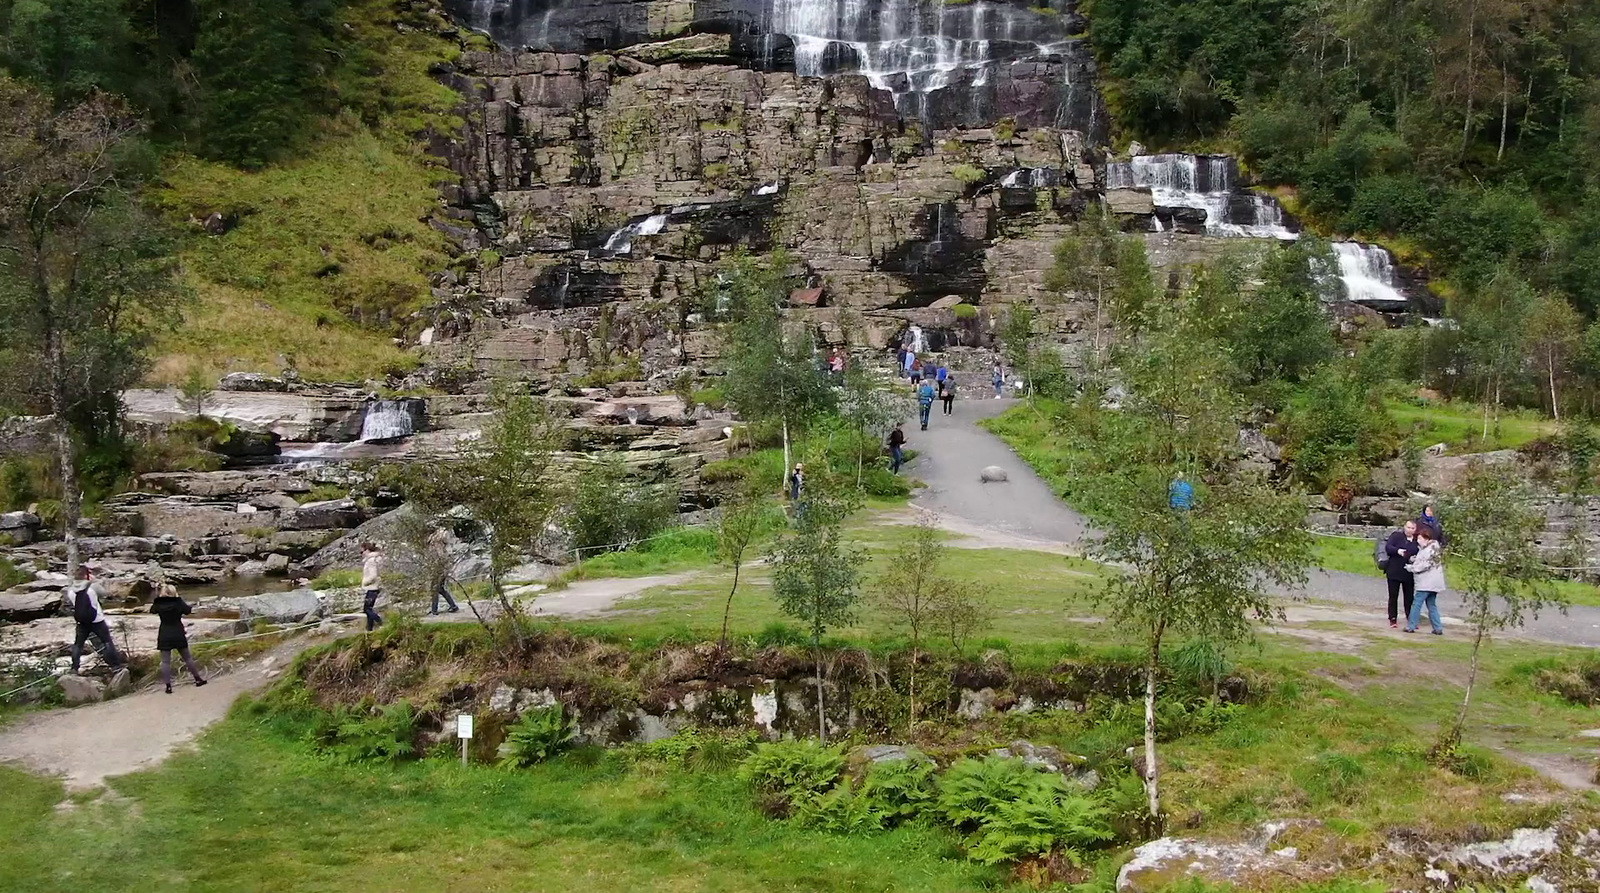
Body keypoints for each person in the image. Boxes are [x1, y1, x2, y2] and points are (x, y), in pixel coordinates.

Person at [64, 565, 126, 676]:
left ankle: (74, 668)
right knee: (106, 642)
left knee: (78, 644)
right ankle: (116, 666)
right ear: (86, 576)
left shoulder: (70, 591)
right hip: (97, 620)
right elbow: (105, 593)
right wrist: (94, 581)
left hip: (81, 622)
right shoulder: (92, 587)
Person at [149, 584, 207, 693]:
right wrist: (179, 598)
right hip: (178, 632)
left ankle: (168, 686)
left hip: (164, 633)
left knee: (165, 662)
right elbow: (188, 611)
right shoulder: (178, 602)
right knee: (187, 658)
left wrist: (157, 597)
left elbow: (152, 610)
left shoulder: (158, 603)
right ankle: (198, 679)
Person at [1405, 528, 1446, 635]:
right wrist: (1415, 560)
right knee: (1431, 604)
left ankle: (1411, 626)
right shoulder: (1432, 548)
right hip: (1434, 584)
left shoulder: (1429, 549)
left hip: (1426, 583)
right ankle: (1438, 628)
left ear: (1426, 538)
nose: (1418, 540)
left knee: (1416, 604)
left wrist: (1411, 568)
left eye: (1419, 538)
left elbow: (1425, 565)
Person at [1383, 521, 1419, 629]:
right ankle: (1392, 618)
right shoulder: (1396, 536)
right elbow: (1388, 547)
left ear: (1415, 529)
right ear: (1404, 527)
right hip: (1394, 571)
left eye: (1412, 528)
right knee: (1393, 596)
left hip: (1409, 573)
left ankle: (1411, 618)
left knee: (1409, 597)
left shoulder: (1417, 541)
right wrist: (1398, 551)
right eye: (1408, 527)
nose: (1410, 530)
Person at [428, 525, 460, 616]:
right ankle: (453, 606)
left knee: (435, 588)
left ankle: (434, 610)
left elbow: (444, 550)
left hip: (440, 566)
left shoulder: (440, 536)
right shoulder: (434, 537)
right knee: (440, 588)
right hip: (439, 566)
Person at [360, 541, 385, 632]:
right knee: (368, 608)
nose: (361, 554)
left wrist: (364, 582)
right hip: (373, 587)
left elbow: (373, 575)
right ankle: (369, 629)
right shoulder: (375, 559)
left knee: (367, 609)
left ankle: (380, 622)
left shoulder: (371, 561)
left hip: (372, 587)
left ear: (367, 550)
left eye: (362, 552)